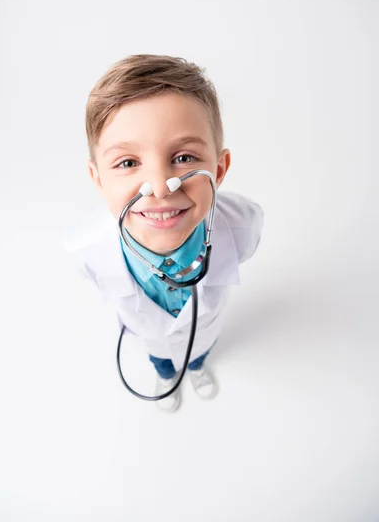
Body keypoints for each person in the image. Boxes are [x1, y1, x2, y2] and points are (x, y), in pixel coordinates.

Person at [63, 54, 264, 413]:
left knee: (199, 352)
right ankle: (167, 378)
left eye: (184, 157)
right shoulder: (86, 253)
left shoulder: (243, 226)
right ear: (98, 180)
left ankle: (198, 369)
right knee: (162, 359)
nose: (159, 187)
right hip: (149, 339)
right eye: (128, 163)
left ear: (219, 170)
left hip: (206, 332)